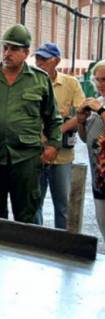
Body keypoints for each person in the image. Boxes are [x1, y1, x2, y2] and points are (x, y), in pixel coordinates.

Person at [0, 24, 62, 223]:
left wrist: (53, 145)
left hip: (27, 159)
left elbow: (53, 118)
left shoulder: (40, 80)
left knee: (27, 216)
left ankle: (26, 254)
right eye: (5, 48)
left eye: (14, 49)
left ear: (26, 52)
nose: (8, 53)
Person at [34, 42, 85, 229]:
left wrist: (57, 132)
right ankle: (35, 242)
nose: (40, 63)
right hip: (36, 154)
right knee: (34, 205)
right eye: (38, 58)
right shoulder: (32, 82)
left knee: (63, 206)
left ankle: (62, 248)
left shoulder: (71, 84)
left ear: (56, 61)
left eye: (44, 59)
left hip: (62, 156)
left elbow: (82, 114)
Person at [77, 60, 105, 240]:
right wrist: (80, 120)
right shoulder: (97, 102)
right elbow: (85, 138)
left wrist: (101, 110)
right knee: (103, 224)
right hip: (100, 179)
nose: (101, 84)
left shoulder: (99, 106)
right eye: (98, 80)